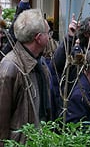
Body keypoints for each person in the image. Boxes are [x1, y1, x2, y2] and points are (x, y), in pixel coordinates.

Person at [0, 9, 52, 145]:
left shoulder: (39, 62)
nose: (50, 36)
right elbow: (1, 120)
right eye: (48, 33)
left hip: (38, 139)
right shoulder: (10, 68)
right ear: (39, 38)